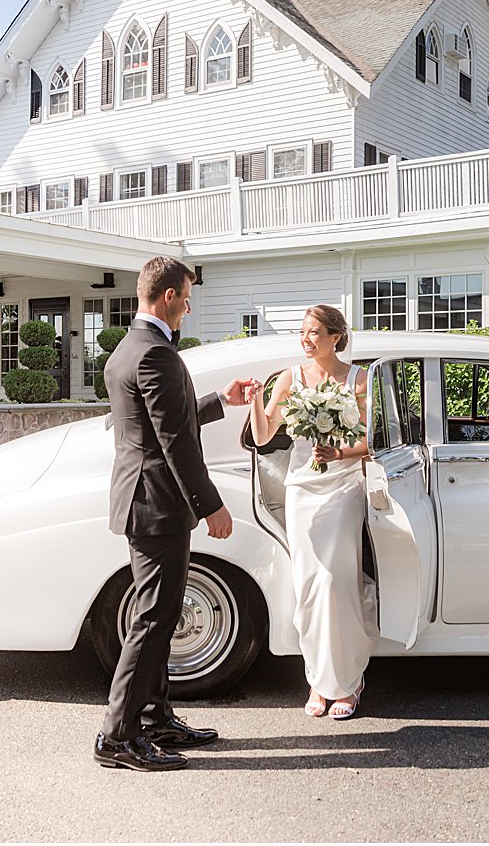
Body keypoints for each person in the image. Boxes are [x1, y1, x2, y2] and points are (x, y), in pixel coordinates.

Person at [93, 255, 258, 772]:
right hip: (157, 504)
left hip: (144, 499)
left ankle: (157, 719)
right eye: (185, 296)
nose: (188, 306)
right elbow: (175, 442)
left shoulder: (129, 349)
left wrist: (218, 401)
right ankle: (116, 737)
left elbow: (159, 417)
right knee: (153, 619)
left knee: (159, 617)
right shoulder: (156, 353)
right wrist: (211, 506)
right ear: (167, 296)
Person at [247, 304, 373, 720]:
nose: (306, 339)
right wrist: (254, 402)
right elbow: (265, 433)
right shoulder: (290, 378)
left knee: (335, 582)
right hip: (302, 486)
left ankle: (348, 682)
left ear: (336, 336)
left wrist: (338, 452)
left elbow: (373, 440)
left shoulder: (357, 378)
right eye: (302, 332)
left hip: (342, 487)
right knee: (307, 586)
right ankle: (318, 681)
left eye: (314, 331)